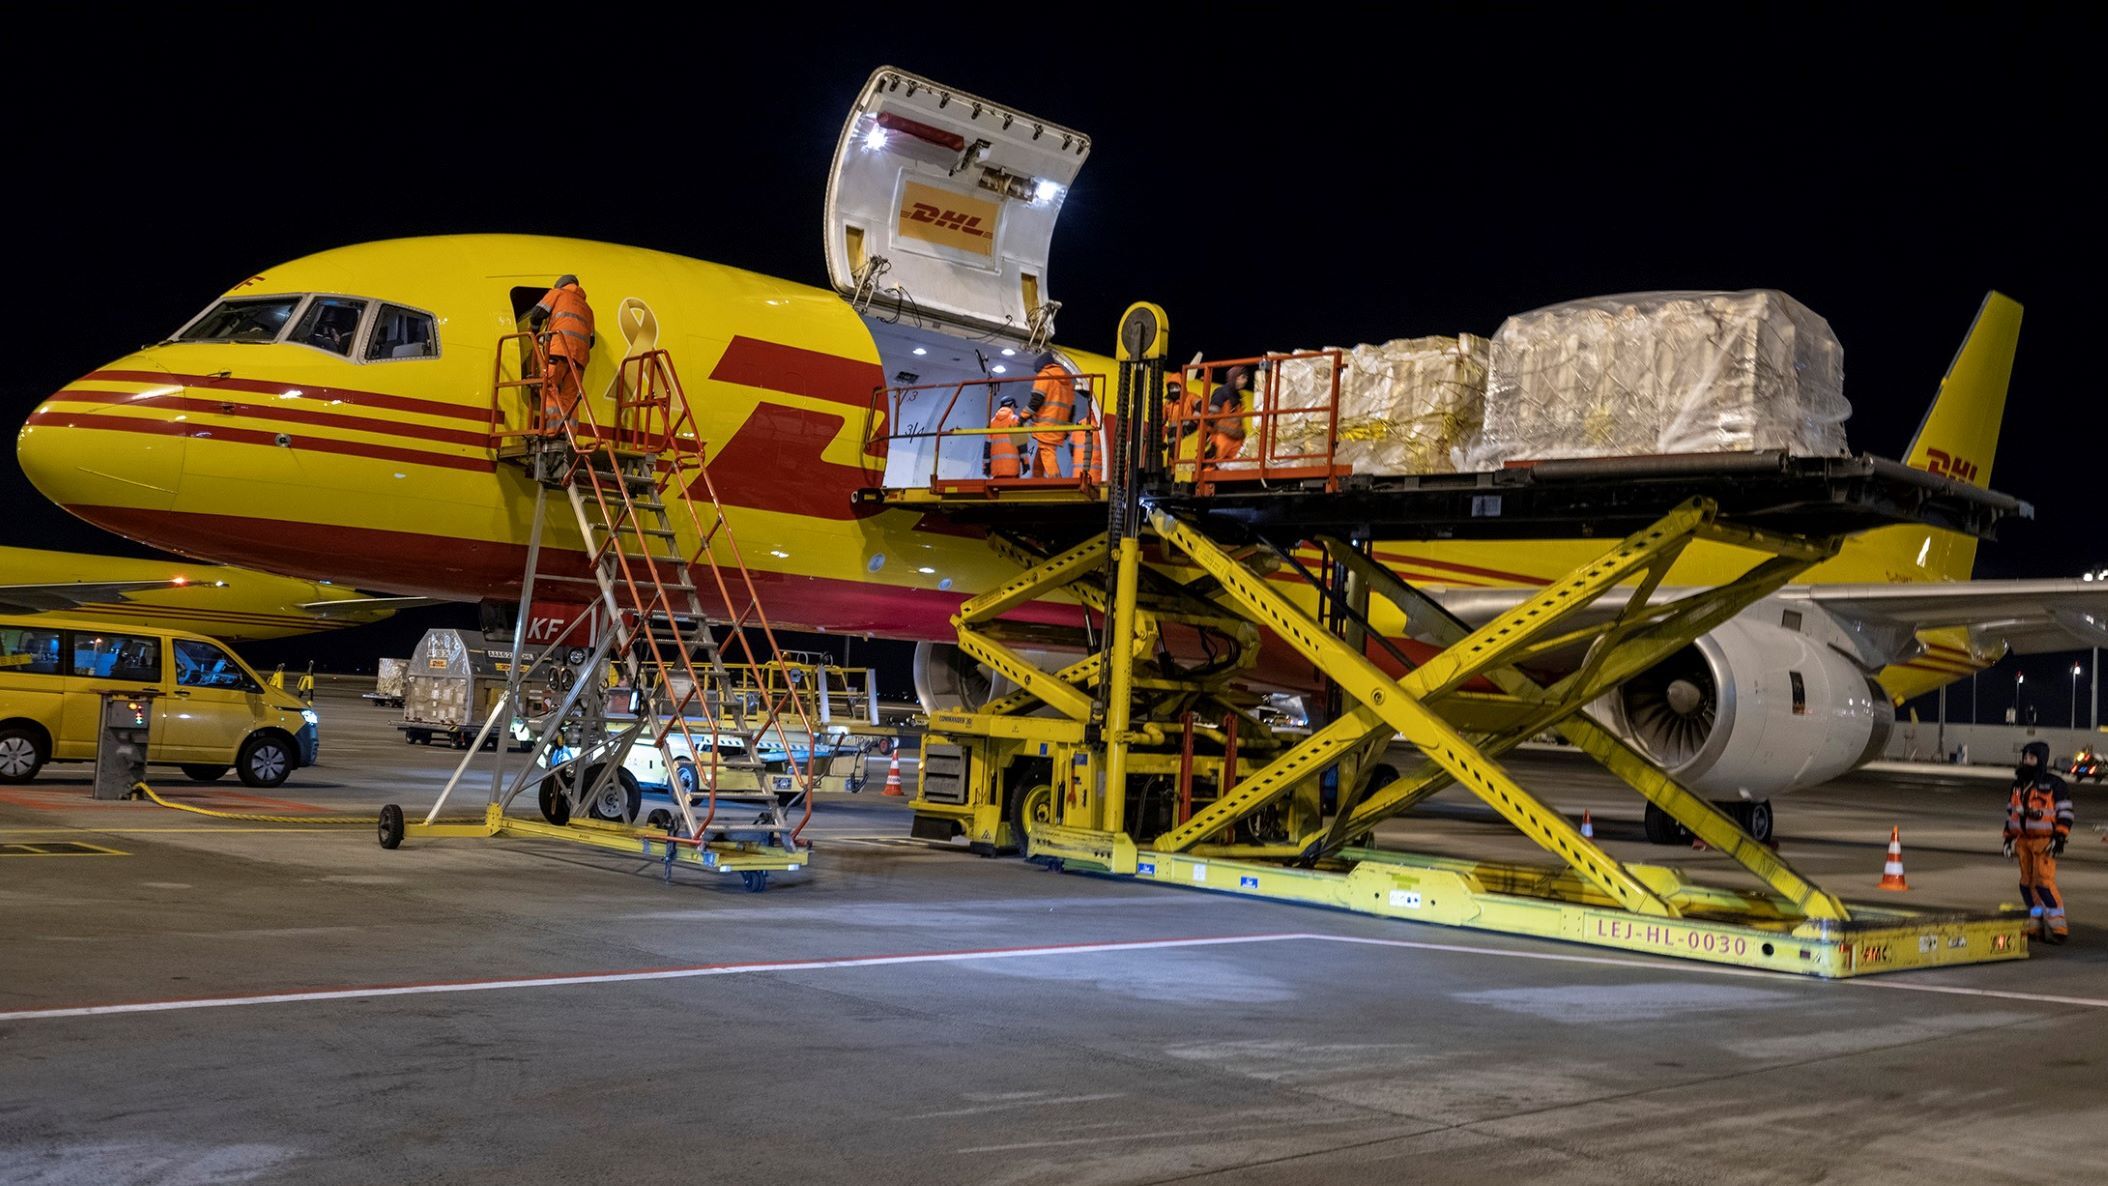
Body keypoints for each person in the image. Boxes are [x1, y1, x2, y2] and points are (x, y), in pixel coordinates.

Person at [2004, 739, 2074, 943]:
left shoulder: (2054, 785)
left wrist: (2060, 836)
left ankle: (2058, 925)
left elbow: (2066, 813)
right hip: (2023, 842)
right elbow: (2011, 815)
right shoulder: (2018, 786)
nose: (2027, 761)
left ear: (2041, 760)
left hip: (2044, 842)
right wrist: (2008, 839)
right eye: (2025, 757)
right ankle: (2035, 923)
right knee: (2026, 885)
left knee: (2043, 884)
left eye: (2032, 758)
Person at [528, 274, 594, 434]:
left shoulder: (557, 293)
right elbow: (591, 341)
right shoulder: (588, 309)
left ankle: (552, 433)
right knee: (570, 398)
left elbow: (537, 313)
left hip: (558, 350)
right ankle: (569, 435)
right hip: (579, 359)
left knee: (549, 387)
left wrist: (534, 332)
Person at [1024, 352, 1076, 477]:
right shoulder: (1067, 382)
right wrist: (1067, 430)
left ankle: (1056, 481)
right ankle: (1036, 479)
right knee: (1042, 453)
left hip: (1046, 426)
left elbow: (1035, 401)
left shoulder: (1044, 376)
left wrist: (1022, 417)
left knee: (1047, 452)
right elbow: (1071, 409)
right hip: (1059, 428)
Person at [1205, 365, 1253, 463]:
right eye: (1243, 377)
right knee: (1212, 468)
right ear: (1234, 377)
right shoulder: (1221, 393)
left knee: (1236, 468)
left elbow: (1238, 420)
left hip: (1236, 441)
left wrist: (1242, 434)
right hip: (1222, 438)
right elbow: (1210, 417)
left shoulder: (1239, 398)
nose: (1245, 381)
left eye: (1246, 378)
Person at [986, 394, 1023, 478]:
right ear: (1012, 405)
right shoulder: (1015, 420)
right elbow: (1022, 445)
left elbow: (987, 446)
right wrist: (1025, 463)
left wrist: (986, 467)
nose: (1014, 410)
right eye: (1014, 407)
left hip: (996, 471)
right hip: (1012, 470)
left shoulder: (991, 422)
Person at [1069, 392, 1103, 483]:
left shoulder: (1079, 424)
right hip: (1095, 478)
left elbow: (1071, 448)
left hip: (1077, 478)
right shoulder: (1101, 428)